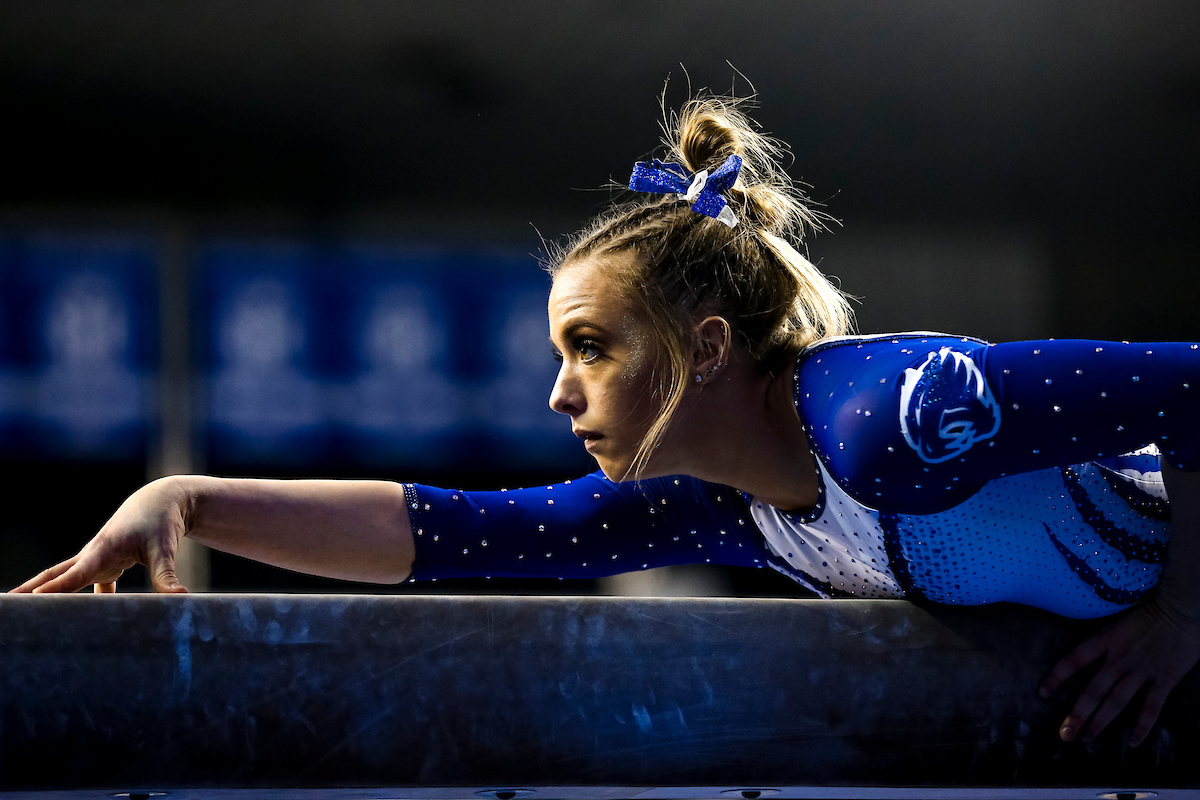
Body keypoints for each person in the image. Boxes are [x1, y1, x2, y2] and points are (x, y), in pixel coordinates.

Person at [11, 94, 1200, 749]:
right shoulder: (731, 504)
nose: (559, 390)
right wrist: (189, 500)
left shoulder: (892, 415)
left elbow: (1191, 382)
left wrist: (1186, 610)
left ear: (706, 349)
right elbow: (463, 532)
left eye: (591, 346)